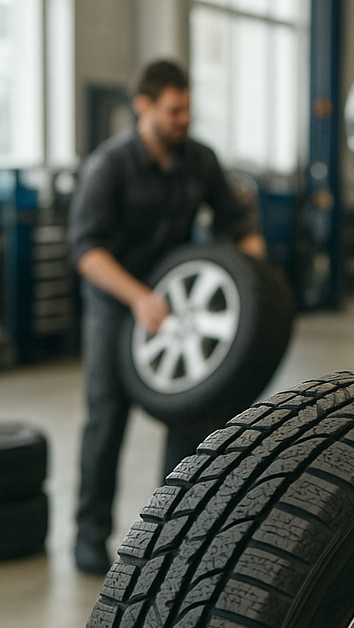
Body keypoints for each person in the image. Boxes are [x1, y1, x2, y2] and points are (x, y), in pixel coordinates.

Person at [67, 59, 266, 575]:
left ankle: (167, 535)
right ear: (144, 106)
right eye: (175, 111)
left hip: (178, 303)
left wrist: (256, 271)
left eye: (188, 109)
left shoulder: (198, 160)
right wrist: (138, 298)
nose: (184, 119)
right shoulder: (108, 167)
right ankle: (89, 537)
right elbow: (87, 252)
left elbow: (236, 219)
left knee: (188, 414)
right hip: (117, 302)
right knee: (107, 419)